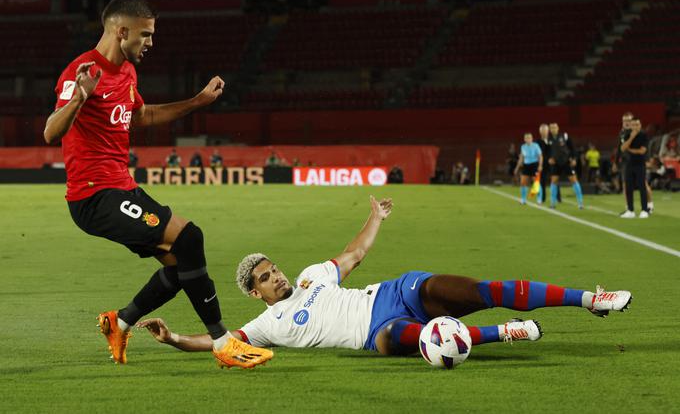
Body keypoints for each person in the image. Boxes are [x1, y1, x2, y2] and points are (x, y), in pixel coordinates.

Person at [42, 0, 271, 368]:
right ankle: (222, 343)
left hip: (121, 188)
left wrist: (196, 102)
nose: (150, 42)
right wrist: (80, 97)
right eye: (145, 35)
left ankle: (120, 321)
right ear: (121, 31)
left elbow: (141, 116)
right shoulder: (81, 71)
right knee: (189, 237)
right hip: (94, 196)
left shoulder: (127, 72)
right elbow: (52, 131)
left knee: (184, 262)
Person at [138, 196, 631, 357]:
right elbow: (219, 343)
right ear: (254, 292)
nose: (278, 277)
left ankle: (589, 298)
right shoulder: (267, 327)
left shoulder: (312, 276)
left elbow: (353, 255)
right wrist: (173, 337)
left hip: (394, 291)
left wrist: (375, 217)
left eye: (274, 269)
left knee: (483, 290)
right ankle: (501, 333)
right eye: (266, 278)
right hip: (376, 333)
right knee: (412, 338)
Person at [547, 123, 583, 209]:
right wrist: (549, 158)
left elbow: (573, 148)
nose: (553, 129)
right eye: (551, 128)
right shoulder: (548, 139)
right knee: (554, 181)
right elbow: (546, 152)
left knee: (574, 180)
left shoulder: (564, 136)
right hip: (556, 163)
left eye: (555, 127)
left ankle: (580, 203)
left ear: (558, 128)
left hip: (567, 162)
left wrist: (574, 159)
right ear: (549, 129)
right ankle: (552, 203)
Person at [620, 118, 650, 218]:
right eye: (633, 125)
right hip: (629, 164)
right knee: (628, 188)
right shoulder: (627, 135)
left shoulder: (644, 135)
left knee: (642, 187)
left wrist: (630, 150)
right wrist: (631, 138)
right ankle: (630, 210)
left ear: (640, 125)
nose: (635, 127)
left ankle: (644, 210)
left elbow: (642, 151)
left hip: (640, 164)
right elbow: (623, 148)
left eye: (637, 125)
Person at [514, 133, 542, 205]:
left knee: (536, 182)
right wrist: (517, 168)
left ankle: (539, 199)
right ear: (524, 139)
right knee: (523, 183)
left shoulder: (536, 146)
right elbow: (522, 158)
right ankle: (523, 200)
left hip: (534, 165)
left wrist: (540, 165)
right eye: (526, 138)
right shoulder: (523, 147)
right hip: (526, 165)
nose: (528, 139)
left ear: (532, 139)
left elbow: (540, 156)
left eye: (529, 138)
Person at [535, 124, 551, 204]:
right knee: (540, 181)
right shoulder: (537, 142)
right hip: (541, 164)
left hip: (551, 164)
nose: (545, 132)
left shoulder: (551, 140)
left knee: (555, 181)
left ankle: (558, 199)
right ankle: (541, 197)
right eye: (543, 130)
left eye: (546, 130)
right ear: (540, 132)